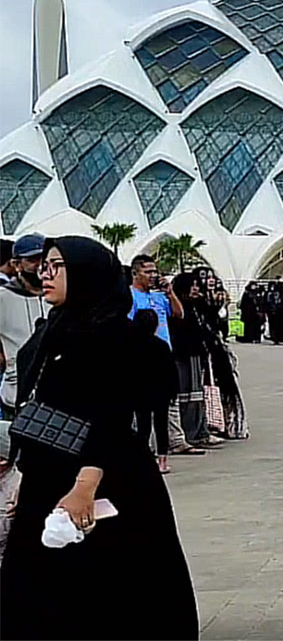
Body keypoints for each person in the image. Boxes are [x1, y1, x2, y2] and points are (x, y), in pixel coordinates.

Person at [0, 236, 198, 639]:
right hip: (51, 478)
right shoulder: (56, 328)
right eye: (45, 265)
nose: (45, 274)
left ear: (87, 273)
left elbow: (112, 414)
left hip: (102, 479)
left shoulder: (110, 337)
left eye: (57, 266)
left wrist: (85, 484)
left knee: (109, 591)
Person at [0, 234, 49, 421]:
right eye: (32, 260)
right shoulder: (3, 296)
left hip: (55, 400)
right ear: (16, 264)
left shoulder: (57, 295)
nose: (40, 265)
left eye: (43, 259)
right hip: (15, 398)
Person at [169, 273, 218, 449]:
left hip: (197, 353)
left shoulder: (198, 306)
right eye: (193, 285)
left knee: (198, 393)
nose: (196, 289)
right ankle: (189, 433)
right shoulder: (178, 307)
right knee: (186, 394)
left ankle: (201, 430)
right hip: (182, 354)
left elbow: (212, 320)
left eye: (198, 285)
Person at [131, 309, 177, 474]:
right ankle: (162, 461)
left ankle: (143, 460)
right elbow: (172, 371)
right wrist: (173, 391)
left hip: (139, 392)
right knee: (161, 425)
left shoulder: (131, 346)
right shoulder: (161, 346)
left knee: (143, 427)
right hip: (161, 391)